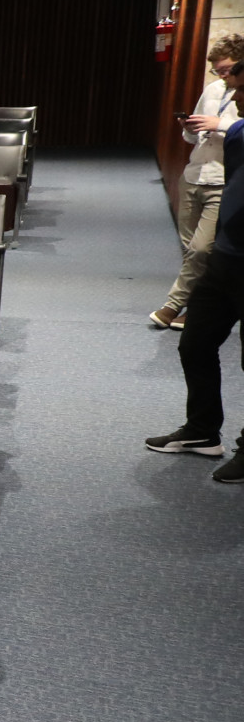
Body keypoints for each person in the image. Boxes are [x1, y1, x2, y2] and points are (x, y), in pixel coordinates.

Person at [146, 100, 244, 482]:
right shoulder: (236, 133)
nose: (235, 98)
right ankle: (203, 430)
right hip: (227, 257)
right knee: (196, 342)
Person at [153, 38, 242, 330]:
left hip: (222, 180)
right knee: (190, 249)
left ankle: (173, 304)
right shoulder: (213, 90)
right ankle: (199, 307)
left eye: (227, 70)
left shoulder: (241, 95)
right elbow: (191, 139)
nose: (222, 77)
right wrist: (189, 128)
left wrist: (221, 125)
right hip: (194, 174)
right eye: (217, 71)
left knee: (202, 249)